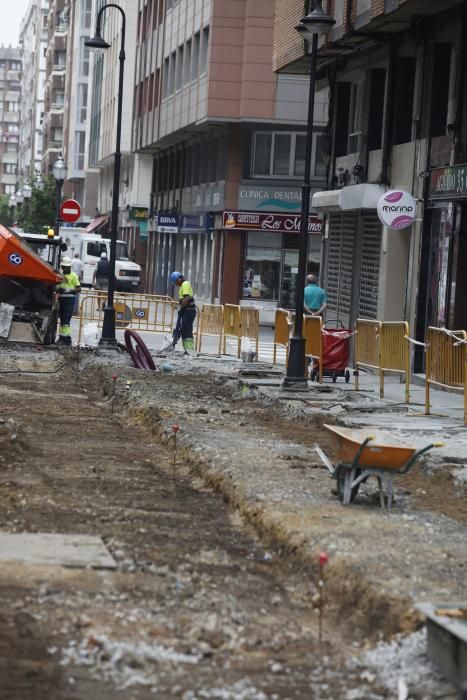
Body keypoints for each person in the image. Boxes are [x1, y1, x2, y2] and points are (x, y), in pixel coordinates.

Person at [170, 271, 196, 354]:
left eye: (175, 282)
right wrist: (179, 307)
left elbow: (186, 298)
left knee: (187, 330)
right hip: (186, 311)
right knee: (184, 330)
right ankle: (187, 350)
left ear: (179, 279)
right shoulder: (183, 285)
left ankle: (190, 350)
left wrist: (180, 308)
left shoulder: (185, 284)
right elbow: (183, 300)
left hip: (189, 311)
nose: (176, 284)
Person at [57, 256, 81, 345]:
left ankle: (63, 338)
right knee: (63, 319)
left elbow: (79, 288)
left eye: (65, 267)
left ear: (69, 267)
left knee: (66, 320)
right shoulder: (60, 275)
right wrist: (58, 289)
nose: (64, 268)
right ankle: (66, 338)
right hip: (61, 299)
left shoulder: (74, 276)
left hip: (69, 300)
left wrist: (69, 290)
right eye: (63, 266)